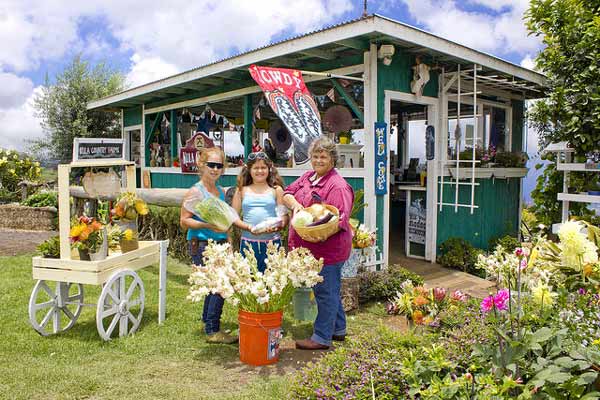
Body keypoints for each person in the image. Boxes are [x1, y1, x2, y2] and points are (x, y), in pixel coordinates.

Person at [283, 136, 354, 350]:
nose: (318, 160)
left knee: (325, 292)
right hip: (310, 247)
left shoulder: (337, 186)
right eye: (315, 156)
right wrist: (295, 204)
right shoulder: (308, 177)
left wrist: (322, 233)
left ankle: (322, 337)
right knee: (329, 290)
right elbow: (286, 192)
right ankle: (338, 330)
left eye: (323, 156)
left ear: (333, 159)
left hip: (328, 249)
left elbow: (340, 218)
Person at [180, 147, 238, 344]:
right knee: (220, 285)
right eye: (211, 165)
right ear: (201, 165)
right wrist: (206, 225)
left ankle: (208, 321)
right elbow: (184, 221)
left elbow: (226, 221)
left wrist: (229, 242)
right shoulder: (196, 192)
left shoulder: (220, 192)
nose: (215, 169)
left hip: (220, 244)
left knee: (215, 285)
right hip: (202, 243)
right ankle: (213, 330)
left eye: (219, 166)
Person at [232, 152, 287, 273]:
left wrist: (278, 226)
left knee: (273, 283)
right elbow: (233, 217)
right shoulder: (241, 190)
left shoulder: (277, 190)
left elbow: (283, 216)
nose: (260, 171)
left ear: (269, 169)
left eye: (263, 168)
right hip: (248, 244)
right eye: (256, 168)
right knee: (249, 282)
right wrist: (248, 227)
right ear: (249, 170)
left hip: (272, 244)